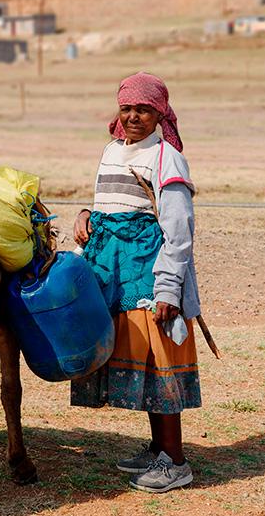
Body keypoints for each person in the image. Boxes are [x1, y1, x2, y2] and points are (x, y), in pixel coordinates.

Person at [70, 71, 201, 493]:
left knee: (160, 363)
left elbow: (179, 231)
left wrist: (167, 288)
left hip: (147, 272)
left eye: (143, 110)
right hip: (113, 272)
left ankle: (175, 463)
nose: (133, 117)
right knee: (142, 362)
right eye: (126, 108)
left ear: (159, 113)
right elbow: (108, 203)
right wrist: (86, 216)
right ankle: (157, 449)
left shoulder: (166, 158)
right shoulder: (111, 151)